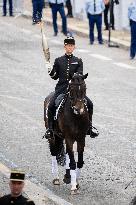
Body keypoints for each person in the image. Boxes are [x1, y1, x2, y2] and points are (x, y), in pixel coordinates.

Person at [45, 36, 99, 140]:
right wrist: (50, 70)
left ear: (74, 47)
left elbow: (79, 74)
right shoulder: (58, 60)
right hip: (61, 89)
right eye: (68, 46)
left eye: (72, 46)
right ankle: (50, 130)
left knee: (90, 104)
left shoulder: (78, 61)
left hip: (75, 90)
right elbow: (55, 76)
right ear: (65, 47)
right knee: (51, 105)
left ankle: (90, 127)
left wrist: (73, 80)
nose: (70, 47)